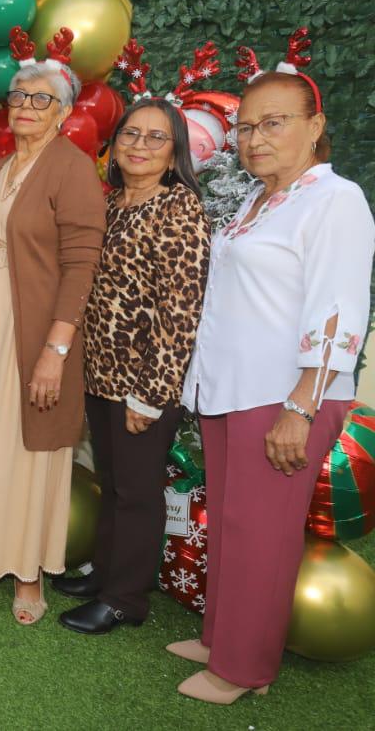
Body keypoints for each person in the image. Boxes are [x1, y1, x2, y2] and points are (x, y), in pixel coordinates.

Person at [173, 51, 374, 702]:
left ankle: (244, 667)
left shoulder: (335, 201)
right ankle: (218, 637)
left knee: (262, 533)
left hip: (283, 393)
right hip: (230, 387)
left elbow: (338, 307)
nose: (256, 139)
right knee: (231, 521)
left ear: (316, 126)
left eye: (275, 123)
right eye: (248, 127)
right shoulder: (262, 202)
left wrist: (302, 404)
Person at [0, 51, 107, 624]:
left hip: (33, 325)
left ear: (62, 112)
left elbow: (82, 264)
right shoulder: (2, 166)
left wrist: (55, 352)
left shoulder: (72, 167)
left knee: (27, 444)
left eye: (42, 99)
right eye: (19, 97)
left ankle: (28, 569)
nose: (27, 107)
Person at [55, 98, 211, 635]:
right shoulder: (114, 204)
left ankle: (125, 600)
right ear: (114, 144)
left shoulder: (179, 207)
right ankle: (104, 575)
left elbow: (181, 307)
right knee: (113, 482)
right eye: (130, 135)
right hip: (101, 375)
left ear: (174, 155)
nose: (139, 146)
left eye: (155, 138)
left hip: (146, 384)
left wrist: (154, 392)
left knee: (138, 492)